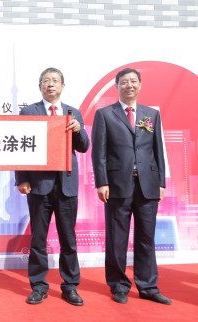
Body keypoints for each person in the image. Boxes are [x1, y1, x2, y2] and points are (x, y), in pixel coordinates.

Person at [91, 67, 171, 305]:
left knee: (146, 238)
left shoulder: (150, 114)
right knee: (117, 238)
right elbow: (99, 152)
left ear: (140, 85)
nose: (129, 85)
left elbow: (158, 150)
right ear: (117, 86)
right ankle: (118, 285)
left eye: (133, 81)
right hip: (116, 184)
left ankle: (148, 286)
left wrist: (161, 182)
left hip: (147, 184)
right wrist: (102, 182)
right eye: (124, 82)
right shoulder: (105, 114)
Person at [15, 67, 90, 306]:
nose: (50, 84)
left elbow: (84, 147)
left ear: (62, 86)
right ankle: (38, 286)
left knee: (69, 239)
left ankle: (70, 286)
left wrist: (78, 130)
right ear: (40, 87)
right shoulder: (28, 112)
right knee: (38, 238)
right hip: (39, 185)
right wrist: (22, 178)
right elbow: (20, 148)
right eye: (46, 81)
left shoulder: (73, 112)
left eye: (55, 81)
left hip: (66, 185)